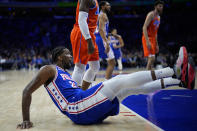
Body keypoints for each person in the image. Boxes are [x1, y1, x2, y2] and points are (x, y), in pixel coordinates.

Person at [17, 46, 195, 129]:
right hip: (77, 108)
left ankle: (179, 82)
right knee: (120, 80)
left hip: (82, 106)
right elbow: (27, 91)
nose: (70, 56)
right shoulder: (48, 69)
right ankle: (173, 70)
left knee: (128, 90)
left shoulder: (64, 74)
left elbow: (79, 90)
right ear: (58, 57)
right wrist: (26, 119)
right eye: (67, 54)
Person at [70, 0, 100, 90]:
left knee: (95, 66)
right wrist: (88, 40)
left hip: (90, 34)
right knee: (80, 67)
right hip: (82, 33)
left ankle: (83, 91)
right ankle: (74, 98)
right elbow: (81, 20)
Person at [95, 1, 115, 80]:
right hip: (101, 39)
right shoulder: (103, 15)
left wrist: (109, 34)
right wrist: (106, 42)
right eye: (108, 5)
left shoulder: (99, 15)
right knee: (112, 62)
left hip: (98, 38)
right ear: (103, 7)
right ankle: (107, 82)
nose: (109, 6)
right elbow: (100, 29)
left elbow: (102, 30)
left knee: (94, 64)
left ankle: (91, 83)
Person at [142, 0, 164, 70]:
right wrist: (147, 41)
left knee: (152, 60)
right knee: (151, 58)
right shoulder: (151, 14)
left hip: (153, 39)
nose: (161, 8)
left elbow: (155, 32)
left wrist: (157, 44)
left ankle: (150, 76)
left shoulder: (159, 17)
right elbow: (144, 27)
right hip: (147, 37)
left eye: (162, 6)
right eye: (160, 6)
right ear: (155, 6)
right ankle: (146, 76)